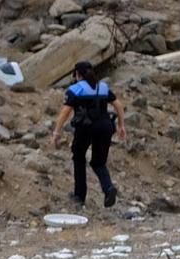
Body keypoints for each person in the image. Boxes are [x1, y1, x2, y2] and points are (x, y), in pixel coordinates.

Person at [49, 60, 125, 207]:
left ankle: (79, 196)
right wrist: (121, 125)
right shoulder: (103, 87)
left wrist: (56, 132)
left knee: (78, 157)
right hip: (105, 127)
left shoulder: (76, 89)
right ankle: (108, 189)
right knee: (99, 162)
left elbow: (65, 111)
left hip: (86, 128)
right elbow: (118, 105)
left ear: (77, 74)